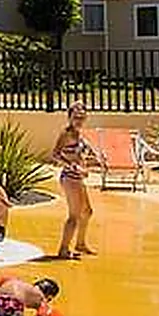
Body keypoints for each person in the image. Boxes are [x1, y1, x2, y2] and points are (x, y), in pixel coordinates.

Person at [51, 104, 101, 259]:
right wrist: (73, 166)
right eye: (76, 117)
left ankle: (80, 244)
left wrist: (96, 159)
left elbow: (84, 151)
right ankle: (63, 249)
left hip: (78, 178)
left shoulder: (79, 134)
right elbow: (55, 154)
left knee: (87, 212)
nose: (79, 120)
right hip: (70, 177)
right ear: (70, 118)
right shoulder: (66, 134)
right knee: (74, 215)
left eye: (82, 117)